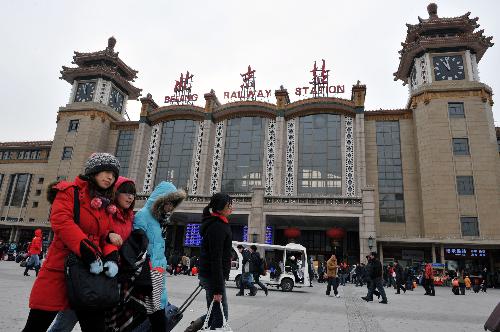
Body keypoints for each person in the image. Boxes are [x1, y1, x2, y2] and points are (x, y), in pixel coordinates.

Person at [22, 152, 121, 332]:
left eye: (114, 175)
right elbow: (62, 221)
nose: (110, 177)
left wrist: (112, 254)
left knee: (96, 327)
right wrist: (85, 249)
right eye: (106, 171)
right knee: (36, 326)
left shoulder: (105, 204)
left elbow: (105, 234)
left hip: (89, 275)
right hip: (60, 269)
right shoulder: (69, 192)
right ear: (93, 171)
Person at [48, 176, 139, 332]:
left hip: (110, 275)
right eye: (125, 192)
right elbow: (92, 233)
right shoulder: (105, 210)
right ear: (115, 192)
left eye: (133, 193)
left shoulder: (130, 217)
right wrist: (109, 235)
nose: (130, 196)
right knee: (66, 321)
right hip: (88, 270)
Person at [134, 181, 186, 332]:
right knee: (158, 323)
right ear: (159, 201)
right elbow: (136, 248)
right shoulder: (143, 216)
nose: (170, 208)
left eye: (173, 204)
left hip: (157, 276)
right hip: (147, 277)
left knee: (156, 321)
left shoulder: (158, 222)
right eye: (168, 203)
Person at [184, 193, 233, 332]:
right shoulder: (217, 226)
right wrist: (217, 289)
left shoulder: (217, 223)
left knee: (215, 313)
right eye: (229, 206)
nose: (231, 209)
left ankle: (193, 328)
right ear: (219, 208)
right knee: (221, 317)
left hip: (210, 276)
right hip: (213, 277)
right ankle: (194, 328)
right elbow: (216, 259)